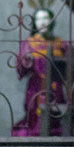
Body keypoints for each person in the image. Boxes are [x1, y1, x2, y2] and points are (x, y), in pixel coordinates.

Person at [11, 8, 68, 136]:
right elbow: (21, 68)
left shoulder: (61, 44)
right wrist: (26, 60)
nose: (42, 22)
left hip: (56, 89)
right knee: (34, 118)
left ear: (52, 21)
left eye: (45, 18)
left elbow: (69, 70)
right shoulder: (29, 43)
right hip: (35, 88)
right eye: (38, 19)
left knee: (56, 118)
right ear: (35, 23)